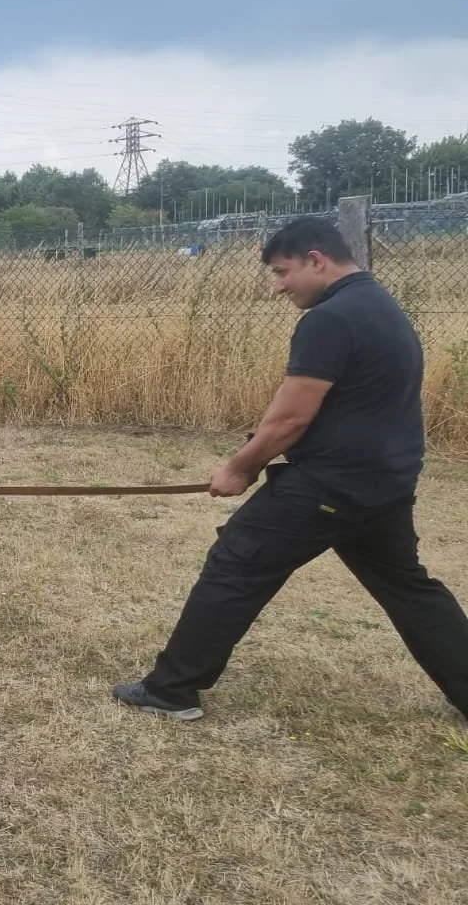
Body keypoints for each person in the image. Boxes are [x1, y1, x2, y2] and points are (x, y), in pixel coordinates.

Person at [115, 216, 468, 722]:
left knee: (236, 564)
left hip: (333, 484)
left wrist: (240, 467)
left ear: (316, 260)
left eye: (282, 272)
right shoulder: (378, 304)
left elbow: (292, 416)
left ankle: (172, 690)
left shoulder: (329, 318)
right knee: (410, 588)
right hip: (385, 480)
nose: (279, 287)